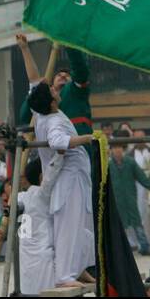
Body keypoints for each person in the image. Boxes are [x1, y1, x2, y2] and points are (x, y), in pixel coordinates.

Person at [29, 80, 96, 288]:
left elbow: (33, 83)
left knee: (83, 226)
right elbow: (58, 142)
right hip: (69, 178)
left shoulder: (41, 114)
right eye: (51, 90)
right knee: (69, 225)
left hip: (77, 176)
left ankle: (80, 266)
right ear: (49, 102)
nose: (54, 89)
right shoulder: (52, 121)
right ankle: (64, 275)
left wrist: (24, 49)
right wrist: (88, 138)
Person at [15, 154, 62, 295]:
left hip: (25, 256)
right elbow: (52, 174)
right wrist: (60, 154)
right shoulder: (41, 195)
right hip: (43, 255)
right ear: (41, 176)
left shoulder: (19, 197)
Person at [110, 141, 150, 255]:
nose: (117, 150)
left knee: (137, 222)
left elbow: (141, 176)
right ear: (111, 150)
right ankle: (118, 251)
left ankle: (144, 247)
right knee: (118, 224)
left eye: (120, 147)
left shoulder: (130, 162)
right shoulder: (108, 165)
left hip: (130, 197)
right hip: (116, 200)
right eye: (115, 148)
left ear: (123, 149)